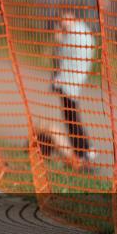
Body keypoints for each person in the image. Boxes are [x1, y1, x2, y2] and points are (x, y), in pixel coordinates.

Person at [47, 10, 97, 167]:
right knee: (71, 116)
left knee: (72, 117)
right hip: (72, 80)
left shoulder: (76, 34)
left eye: (65, 18)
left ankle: (85, 151)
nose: (62, 22)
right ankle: (82, 151)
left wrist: (58, 40)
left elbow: (61, 57)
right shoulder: (81, 32)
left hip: (69, 81)